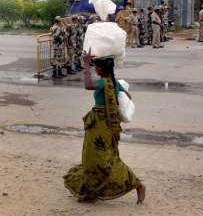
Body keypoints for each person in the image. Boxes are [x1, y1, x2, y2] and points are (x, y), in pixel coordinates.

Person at [63, 51, 146, 204]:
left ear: (101, 69)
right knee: (94, 159)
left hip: (100, 126)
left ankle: (137, 184)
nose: (95, 70)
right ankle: (91, 192)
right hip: (104, 126)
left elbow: (88, 85)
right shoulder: (115, 82)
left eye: (97, 67)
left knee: (103, 160)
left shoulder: (104, 82)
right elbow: (128, 97)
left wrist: (86, 64)